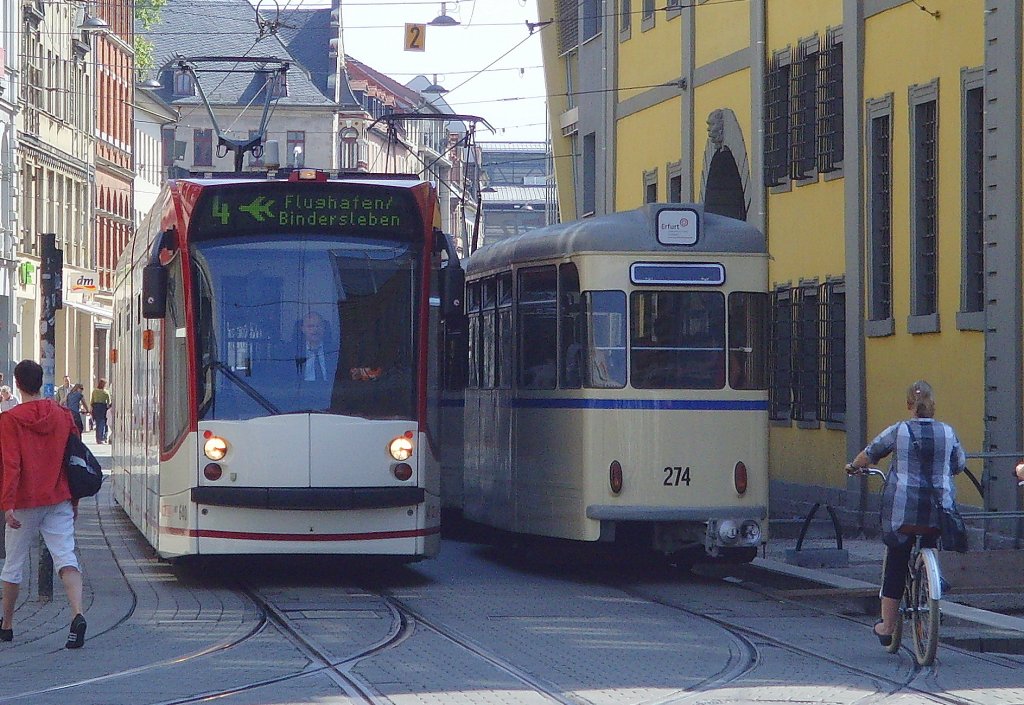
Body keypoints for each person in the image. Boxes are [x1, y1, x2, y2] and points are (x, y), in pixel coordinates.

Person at [845, 380, 966, 648]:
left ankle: (887, 626)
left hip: (903, 512)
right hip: (938, 511)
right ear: (933, 405)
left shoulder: (899, 431)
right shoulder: (948, 432)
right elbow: (959, 464)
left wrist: (853, 466)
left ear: (909, 405)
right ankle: (934, 580)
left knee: (897, 559)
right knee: (930, 542)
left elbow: (870, 453)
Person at [0, 359, 88, 649]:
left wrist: (7, 503)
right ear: (41, 383)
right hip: (58, 496)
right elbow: (74, 461)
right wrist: (73, 499)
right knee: (65, 556)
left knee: (13, 564)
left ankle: (8, 624)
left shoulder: (10, 420)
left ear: (18, 383)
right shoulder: (63, 416)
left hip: (25, 501)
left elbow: (12, 464)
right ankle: (77, 613)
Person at [90, 378, 111, 444]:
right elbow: (109, 402)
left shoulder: (94, 391)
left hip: (95, 407)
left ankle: (98, 438)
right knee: (104, 423)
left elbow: (92, 401)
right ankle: (103, 437)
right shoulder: (106, 392)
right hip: (103, 407)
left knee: (98, 423)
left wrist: (91, 409)